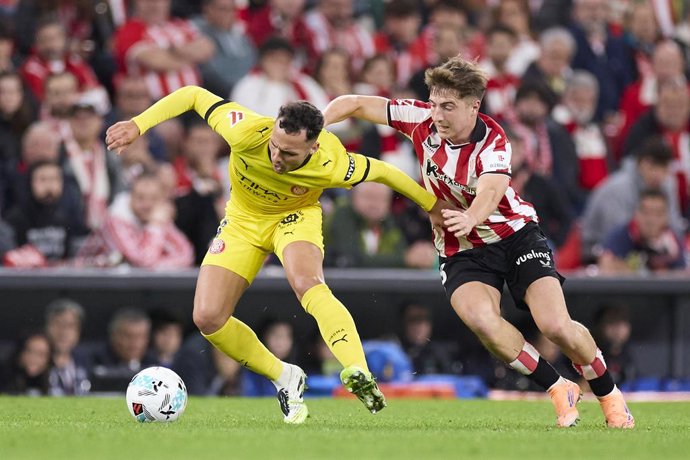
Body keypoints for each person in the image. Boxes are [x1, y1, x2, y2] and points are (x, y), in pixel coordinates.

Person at [105, 84, 448, 424]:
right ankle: (285, 376)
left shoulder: (332, 162)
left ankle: (357, 369)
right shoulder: (245, 130)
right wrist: (139, 124)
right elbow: (194, 95)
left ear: (313, 147)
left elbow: (384, 171)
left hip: (294, 219)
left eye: (289, 154)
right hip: (242, 221)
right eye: (276, 146)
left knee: (307, 284)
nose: (277, 158)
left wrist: (431, 206)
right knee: (208, 318)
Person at [323, 56, 635, 428]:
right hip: (461, 248)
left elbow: (491, 189)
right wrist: (317, 124)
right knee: (484, 323)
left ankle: (609, 394)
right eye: (435, 104)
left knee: (555, 325)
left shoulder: (494, 142)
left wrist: (470, 216)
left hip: (515, 235)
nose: (438, 115)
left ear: (475, 106)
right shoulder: (420, 118)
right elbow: (355, 103)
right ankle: (558, 387)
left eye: (449, 107)